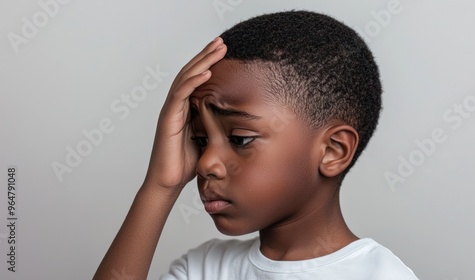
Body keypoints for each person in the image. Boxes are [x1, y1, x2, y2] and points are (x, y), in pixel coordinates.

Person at [94, 10, 419, 279]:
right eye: (200, 140)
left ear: (333, 150)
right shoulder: (206, 269)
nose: (206, 163)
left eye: (239, 138)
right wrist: (159, 187)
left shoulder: (380, 275)